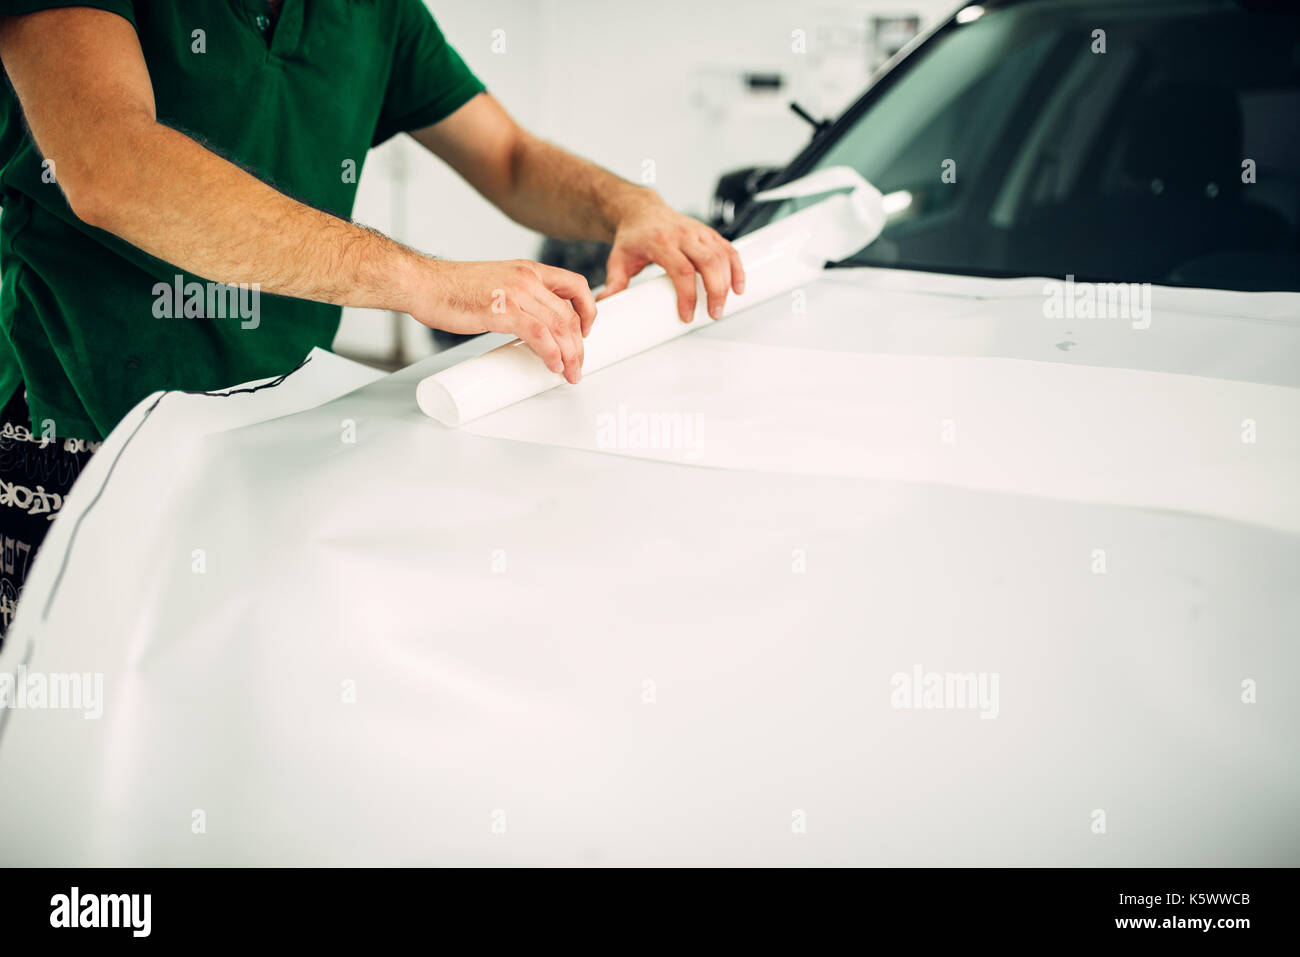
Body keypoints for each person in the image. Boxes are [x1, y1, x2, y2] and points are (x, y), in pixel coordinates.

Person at [0, 1, 745, 639]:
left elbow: (510, 158)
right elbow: (109, 165)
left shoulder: (371, 12)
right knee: (63, 732)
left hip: (277, 430)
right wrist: (421, 281)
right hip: (71, 437)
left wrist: (630, 206)